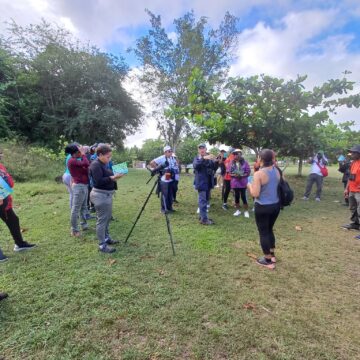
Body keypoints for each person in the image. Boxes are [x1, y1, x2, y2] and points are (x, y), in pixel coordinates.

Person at [247, 149, 281, 269]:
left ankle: (267, 260)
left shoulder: (259, 174)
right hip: (276, 206)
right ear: (272, 159)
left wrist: (249, 184)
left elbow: (255, 194)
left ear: (260, 160)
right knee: (270, 229)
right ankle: (272, 255)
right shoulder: (277, 171)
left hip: (263, 207)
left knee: (263, 232)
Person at [89, 144, 125, 253]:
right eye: (108, 157)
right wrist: (113, 177)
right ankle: (102, 245)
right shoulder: (95, 165)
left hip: (106, 195)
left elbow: (107, 175)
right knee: (102, 221)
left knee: (107, 218)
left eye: (110, 157)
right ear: (100, 155)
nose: (109, 159)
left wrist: (116, 175)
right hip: (100, 196)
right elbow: (98, 181)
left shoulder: (103, 163)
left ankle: (106, 238)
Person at [0, 151, 36, 256]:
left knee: (13, 220)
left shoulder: (1, 166)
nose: (1, 155)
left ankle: (20, 244)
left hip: (4, 202)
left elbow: (8, 181)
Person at [67, 144, 90, 237]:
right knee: (75, 209)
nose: (82, 153)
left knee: (84, 207)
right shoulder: (72, 161)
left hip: (83, 186)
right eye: (80, 152)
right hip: (79, 187)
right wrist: (84, 154)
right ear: (76, 153)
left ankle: (84, 225)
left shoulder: (76, 161)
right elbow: (86, 164)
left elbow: (86, 168)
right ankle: (74, 230)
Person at [193, 143, 218, 225]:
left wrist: (217, 161)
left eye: (203, 148)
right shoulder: (197, 158)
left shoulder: (209, 158)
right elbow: (196, 166)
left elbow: (213, 167)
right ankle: (204, 220)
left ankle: (203, 216)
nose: (202, 150)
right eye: (200, 148)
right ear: (198, 150)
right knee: (203, 201)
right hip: (201, 183)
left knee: (206, 201)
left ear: (206, 149)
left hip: (208, 183)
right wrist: (204, 158)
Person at [150, 146, 178, 214]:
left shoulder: (172, 158)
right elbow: (152, 162)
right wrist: (158, 169)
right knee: (164, 194)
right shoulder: (161, 158)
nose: (170, 152)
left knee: (170, 194)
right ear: (165, 152)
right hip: (164, 179)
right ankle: (163, 209)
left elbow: (175, 166)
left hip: (171, 178)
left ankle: (170, 208)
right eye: (169, 151)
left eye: (171, 151)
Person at [342, 145, 360, 239]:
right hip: (352, 189)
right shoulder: (353, 162)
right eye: (351, 152)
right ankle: (355, 224)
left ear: (358, 154)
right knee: (353, 208)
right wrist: (346, 189)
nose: (351, 154)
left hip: (359, 191)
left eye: (353, 152)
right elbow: (350, 176)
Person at [229, 149, 251, 218]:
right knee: (236, 197)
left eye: (238, 154)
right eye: (235, 154)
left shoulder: (245, 163)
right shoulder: (232, 163)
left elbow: (248, 172)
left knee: (244, 197)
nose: (236, 155)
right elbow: (230, 172)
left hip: (243, 183)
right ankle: (238, 210)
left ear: (240, 154)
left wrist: (242, 175)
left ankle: (246, 211)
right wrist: (234, 175)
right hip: (235, 183)